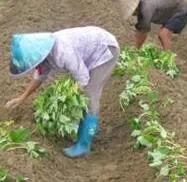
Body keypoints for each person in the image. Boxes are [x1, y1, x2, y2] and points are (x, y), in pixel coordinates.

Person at [5, 26, 120, 158]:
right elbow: (39, 76)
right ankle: (83, 129)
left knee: (90, 93)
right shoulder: (44, 53)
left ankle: (84, 145)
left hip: (105, 49)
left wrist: (70, 97)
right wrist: (22, 98)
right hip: (90, 51)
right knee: (84, 93)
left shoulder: (63, 51)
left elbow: (83, 78)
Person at [119, 0, 187, 50]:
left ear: (135, 7)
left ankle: (168, 60)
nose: (133, 15)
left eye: (132, 12)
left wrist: (136, 50)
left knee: (164, 34)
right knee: (163, 35)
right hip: (171, 9)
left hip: (182, 10)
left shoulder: (145, 10)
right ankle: (167, 53)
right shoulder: (143, 4)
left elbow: (143, 33)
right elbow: (140, 30)